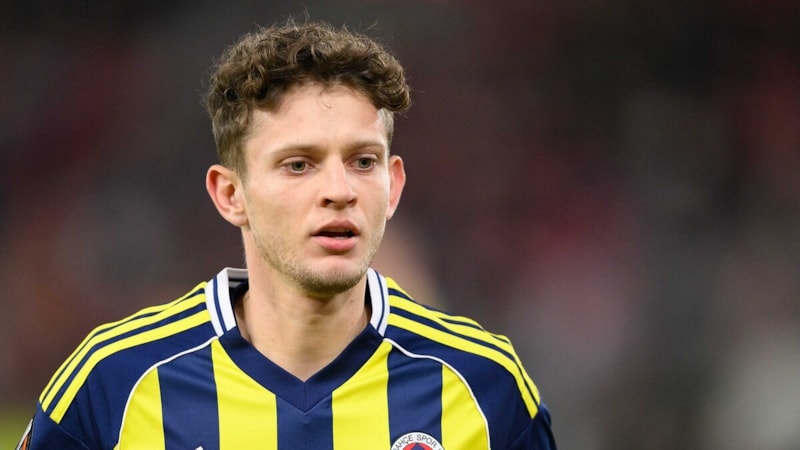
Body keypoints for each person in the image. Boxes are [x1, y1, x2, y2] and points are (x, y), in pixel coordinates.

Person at [18, 19, 556, 449]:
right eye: (299, 165)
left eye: (363, 161)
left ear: (393, 186)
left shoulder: (485, 386)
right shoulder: (113, 382)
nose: (339, 190)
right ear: (230, 194)